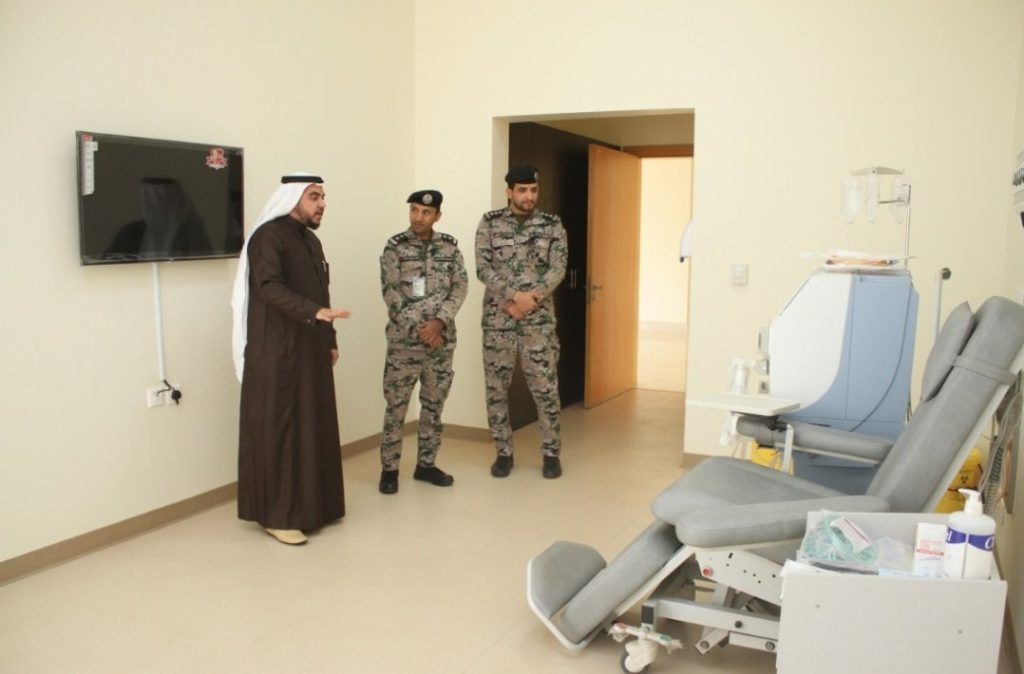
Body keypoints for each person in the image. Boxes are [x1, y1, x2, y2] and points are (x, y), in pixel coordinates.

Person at [230, 173, 350, 545]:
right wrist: (315, 312)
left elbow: (322, 293)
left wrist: (329, 337)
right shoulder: (268, 238)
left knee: (311, 425)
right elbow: (269, 288)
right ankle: (277, 515)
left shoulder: (311, 240)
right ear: (292, 198)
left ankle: (314, 508)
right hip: (277, 352)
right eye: (314, 196)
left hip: (310, 347)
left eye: (323, 197)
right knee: (281, 430)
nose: (322, 204)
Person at [474, 164, 568, 479]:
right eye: (523, 190)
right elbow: (483, 268)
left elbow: (558, 268)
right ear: (509, 191)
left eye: (533, 190)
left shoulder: (552, 224)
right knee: (496, 388)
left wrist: (530, 301)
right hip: (498, 320)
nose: (529, 196)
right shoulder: (489, 223)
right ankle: (503, 452)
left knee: (545, 388)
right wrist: (514, 297)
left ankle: (551, 454)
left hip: (538, 322)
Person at [378, 190, 468, 494]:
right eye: (414, 210)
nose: (418, 217)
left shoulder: (450, 248)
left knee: (433, 406)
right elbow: (391, 294)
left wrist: (439, 322)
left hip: (440, 345)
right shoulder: (395, 248)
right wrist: (424, 329)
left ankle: (426, 465)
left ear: (437, 216)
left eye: (426, 212)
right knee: (396, 407)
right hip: (404, 344)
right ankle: (389, 470)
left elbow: (460, 287)